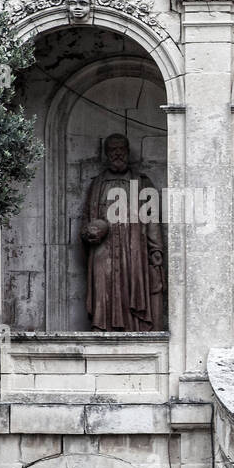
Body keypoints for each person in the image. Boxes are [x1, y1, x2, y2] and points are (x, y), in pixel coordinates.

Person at [80, 133, 166, 331]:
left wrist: (156, 250)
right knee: (102, 286)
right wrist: (88, 232)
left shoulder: (142, 183)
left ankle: (134, 328)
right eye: (112, 150)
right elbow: (85, 218)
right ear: (106, 154)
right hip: (103, 248)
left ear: (127, 152)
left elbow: (151, 219)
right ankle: (101, 327)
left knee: (131, 286)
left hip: (133, 246)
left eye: (121, 149)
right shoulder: (97, 184)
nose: (117, 154)